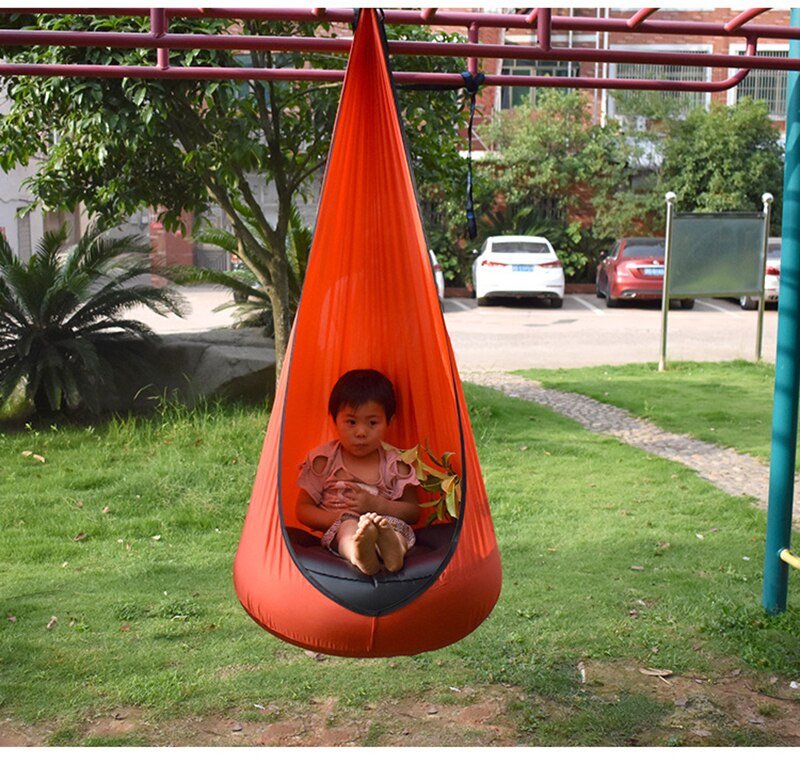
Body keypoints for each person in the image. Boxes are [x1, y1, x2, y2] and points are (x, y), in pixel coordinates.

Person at [296, 369, 420, 576]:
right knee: (348, 530)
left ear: (390, 422)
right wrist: (339, 517)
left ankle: (394, 553)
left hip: (385, 521)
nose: (361, 432)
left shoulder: (395, 464)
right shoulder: (324, 461)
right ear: (334, 420)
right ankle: (359, 555)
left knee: (392, 530)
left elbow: (413, 512)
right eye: (351, 422)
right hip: (341, 524)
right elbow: (302, 510)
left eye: (372, 423)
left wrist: (377, 506)